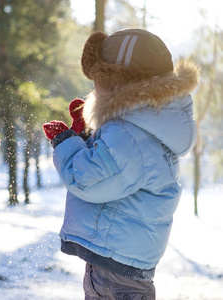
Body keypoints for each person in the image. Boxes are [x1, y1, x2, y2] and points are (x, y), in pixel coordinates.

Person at [43, 29, 200, 299]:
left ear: (118, 83)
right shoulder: (147, 125)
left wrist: (67, 142)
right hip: (121, 262)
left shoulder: (130, 134)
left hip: (115, 272)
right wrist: (86, 138)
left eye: (98, 80)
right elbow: (115, 169)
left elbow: (89, 179)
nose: (95, 88)